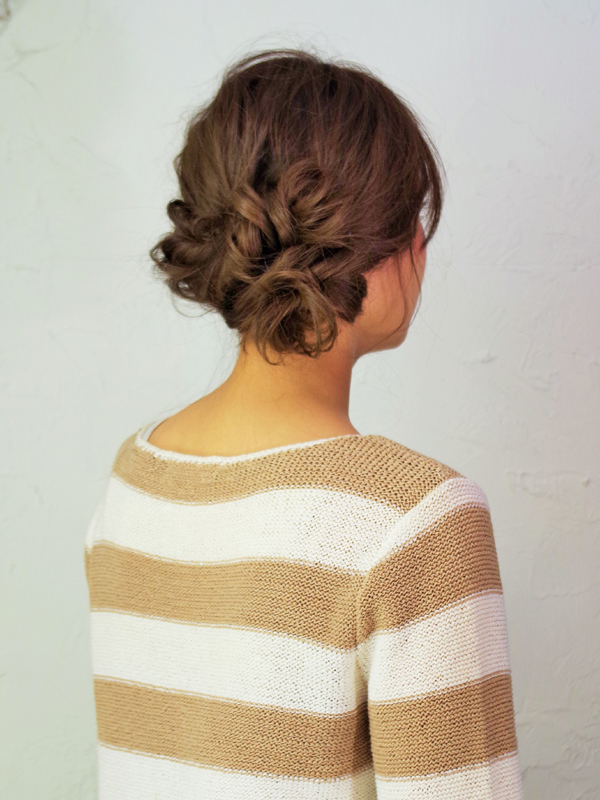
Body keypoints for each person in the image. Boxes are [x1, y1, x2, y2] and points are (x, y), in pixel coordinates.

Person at [84, 48, 524, 799]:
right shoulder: (417, 522)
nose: (423, 245)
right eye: (413, 218)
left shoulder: (131, 484)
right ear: (367, 247)